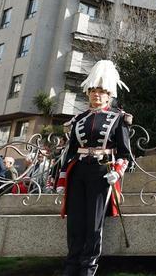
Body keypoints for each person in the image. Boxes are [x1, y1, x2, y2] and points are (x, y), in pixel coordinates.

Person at [56, 60, 132, 276]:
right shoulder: (78, 120)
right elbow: (69, 152)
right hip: (78, 172)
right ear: (87, 93)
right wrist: (62, 179)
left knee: (94, 224)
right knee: (75, 223)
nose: (96, 95)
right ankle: (71, 267)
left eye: (101, 91)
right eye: (92, 91)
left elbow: (125, 153)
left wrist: (117, 171)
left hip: (101, 173)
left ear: (109, 95)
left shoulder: (118, 118)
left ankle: (88, 269)